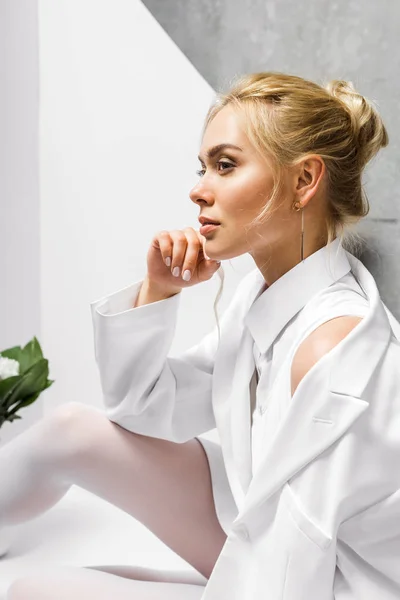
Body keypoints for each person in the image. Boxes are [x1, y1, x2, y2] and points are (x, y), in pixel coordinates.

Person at [2, 71, 399, 599]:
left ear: (305, 181)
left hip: (333, 581)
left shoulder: (332, 349)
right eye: (204, 166)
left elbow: (298, 563)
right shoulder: (266, 292)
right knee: (70, 430)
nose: (198, 189)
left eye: (225, 165)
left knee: (36, 589)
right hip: (269, 530)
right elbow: (144, 411)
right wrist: (158, 291)